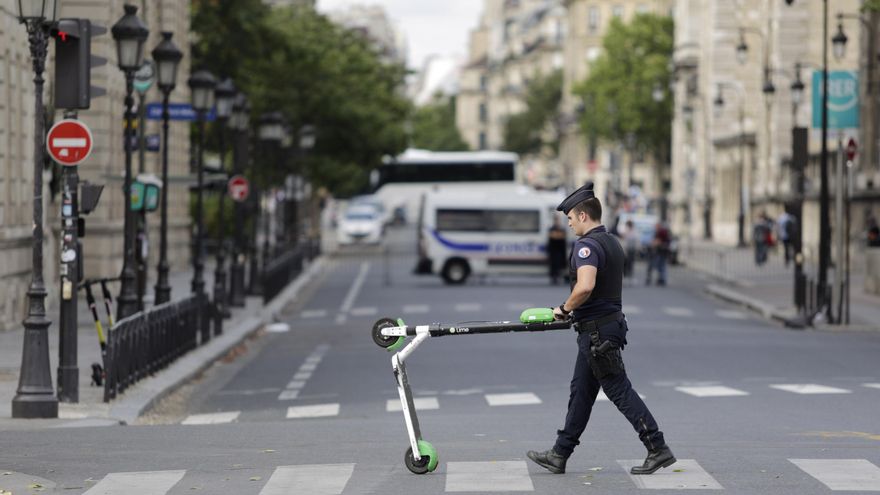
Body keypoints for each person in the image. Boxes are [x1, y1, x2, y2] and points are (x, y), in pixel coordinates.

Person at [527, 181, 675, 476]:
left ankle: (657, 447)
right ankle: (560, 453)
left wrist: (564, 309)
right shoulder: (610, 241)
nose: (568, 225)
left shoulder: (586, 246)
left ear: (583, 216)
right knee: (581, 392)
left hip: (597, 333)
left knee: (618, 389)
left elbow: (585, 286)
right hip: (602, 330)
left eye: (570, 218)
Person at [645, 221, 670, 286]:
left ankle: (662, 279)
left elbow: (658, 241)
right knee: (661, 265)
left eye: (656, 226)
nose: (655, 228)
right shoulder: (661, 232)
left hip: (661, 251)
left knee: (660, 265)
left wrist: (653, 244)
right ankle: (661, 279)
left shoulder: (660, 232)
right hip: (662, 251)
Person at [547, 216, 568, 284]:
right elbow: (553, 237)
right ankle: (554, 277)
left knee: (560, 264)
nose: (557, 222)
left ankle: (558, 276)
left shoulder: (561, 229)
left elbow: (562, 237)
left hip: (560, 251)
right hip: (553, 251)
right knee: (553, 265)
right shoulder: (552, 229)